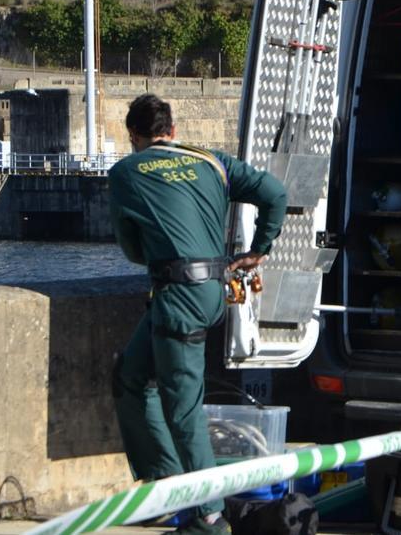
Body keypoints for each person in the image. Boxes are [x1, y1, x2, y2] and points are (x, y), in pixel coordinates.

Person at [109, 94, 288, 534]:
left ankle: (210, 517)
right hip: (212, 290)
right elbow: (275, 193)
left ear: (134, 137)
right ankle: (168, 486)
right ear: (172, 130)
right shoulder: (211, 160)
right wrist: (258, 251)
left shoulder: (126, 171)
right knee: (130, 376)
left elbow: (133, 252)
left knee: (184, 410)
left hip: (178, 298)